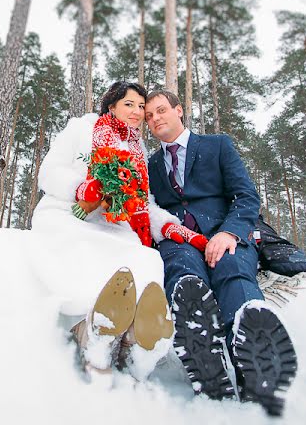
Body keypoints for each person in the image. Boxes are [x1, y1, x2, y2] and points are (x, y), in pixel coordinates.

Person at [30, 81, 206, 381]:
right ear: (111, 105)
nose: (138, 112)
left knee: (145, 260)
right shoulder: (81, 129)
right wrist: (81, 189)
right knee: (87, 253)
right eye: (130, 104)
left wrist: (169, 227)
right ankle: (91, 331)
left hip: (116, 225)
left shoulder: (137, 149)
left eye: (141, 107)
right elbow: (48, 172)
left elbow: (142, 203)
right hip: (70, 215)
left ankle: (136, 342)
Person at [144, 89, 298, 416]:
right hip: (180, 238)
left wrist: (229, 231)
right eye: (149, 116)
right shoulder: (151, 165)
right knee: (182, 271)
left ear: (179, 110)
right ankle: (203, 349)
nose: (155, 118)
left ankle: (251, 354)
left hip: (225, 232)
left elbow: (246, 196)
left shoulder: (217, 145)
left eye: (160, 110)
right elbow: (151, 208)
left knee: (232, 269)